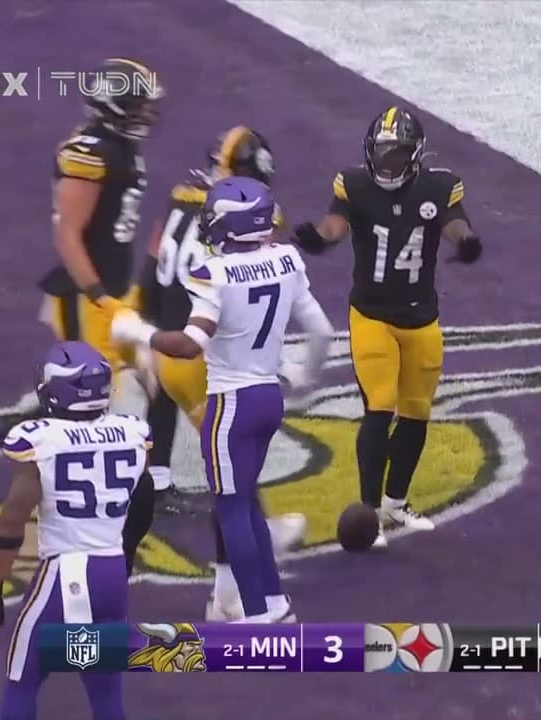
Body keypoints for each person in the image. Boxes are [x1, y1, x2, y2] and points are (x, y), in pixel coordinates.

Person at [0, 57, 164, 577]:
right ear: (112, 106)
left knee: (102, 393)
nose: (145, 113)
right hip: (86, 295)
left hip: (110, 291)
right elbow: (67, 235)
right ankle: (106, 520)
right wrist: (99, 296)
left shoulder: (117, 145)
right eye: (136, 104)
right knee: (100, 399)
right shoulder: (89, 152)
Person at [113, 176, 334, 622]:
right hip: (268, 398)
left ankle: (255, 612)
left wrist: (140, 332)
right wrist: (303, 375)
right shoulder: (287, 260)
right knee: (246, 501)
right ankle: (273, 603)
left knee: (232, 508)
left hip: (231, 403)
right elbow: (323, 332)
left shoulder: (215, 273)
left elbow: (189, 344)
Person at [292, 106, 482, 547]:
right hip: (372, 314)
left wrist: (467, 241)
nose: (387, 162)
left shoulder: (438, 187)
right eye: (381, 152)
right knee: (380, 406)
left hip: (421, 317)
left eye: (396, 154)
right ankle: (369, 511)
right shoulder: (355, 185)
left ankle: (396, 502)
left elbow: (455, 223)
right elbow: (334, 225)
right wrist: (320, 239)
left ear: (414, 154)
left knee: (416, 412)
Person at [137, 126, 305, 620]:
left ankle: (231, 583)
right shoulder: (252, 218)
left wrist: (146, 334)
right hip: (206, 361)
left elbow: (151, 270)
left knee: (230, 476)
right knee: (232, 484)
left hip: (171, 349)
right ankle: (233, 593)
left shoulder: (182, 196)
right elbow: (250, 301)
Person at [0, 341, 150, 720]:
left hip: (66, 573)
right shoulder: (133, 431)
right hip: (111, 574)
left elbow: (11, 521)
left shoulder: (41, 439)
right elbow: (143, 502)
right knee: (105, 691)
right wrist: (126, 553)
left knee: (22, 680)